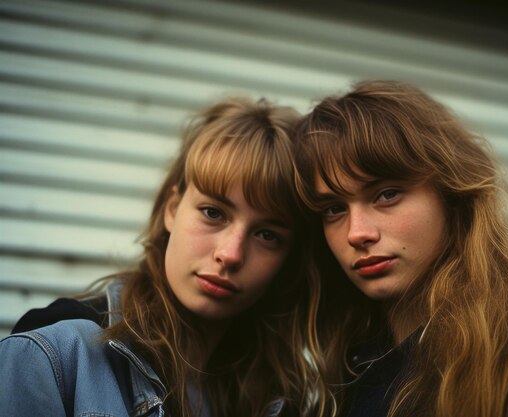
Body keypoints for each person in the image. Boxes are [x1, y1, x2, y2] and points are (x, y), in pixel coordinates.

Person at [293, 80, 508, 417]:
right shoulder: (326, 378)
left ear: (451, 196)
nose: (357, 233)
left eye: (387, 194)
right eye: (334, 209)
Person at [0, 97, 324, 417]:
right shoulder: (53, 356)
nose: (230, 254)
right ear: (172, 209)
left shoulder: (279, 400)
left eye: (267, 235)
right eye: (213, 213)